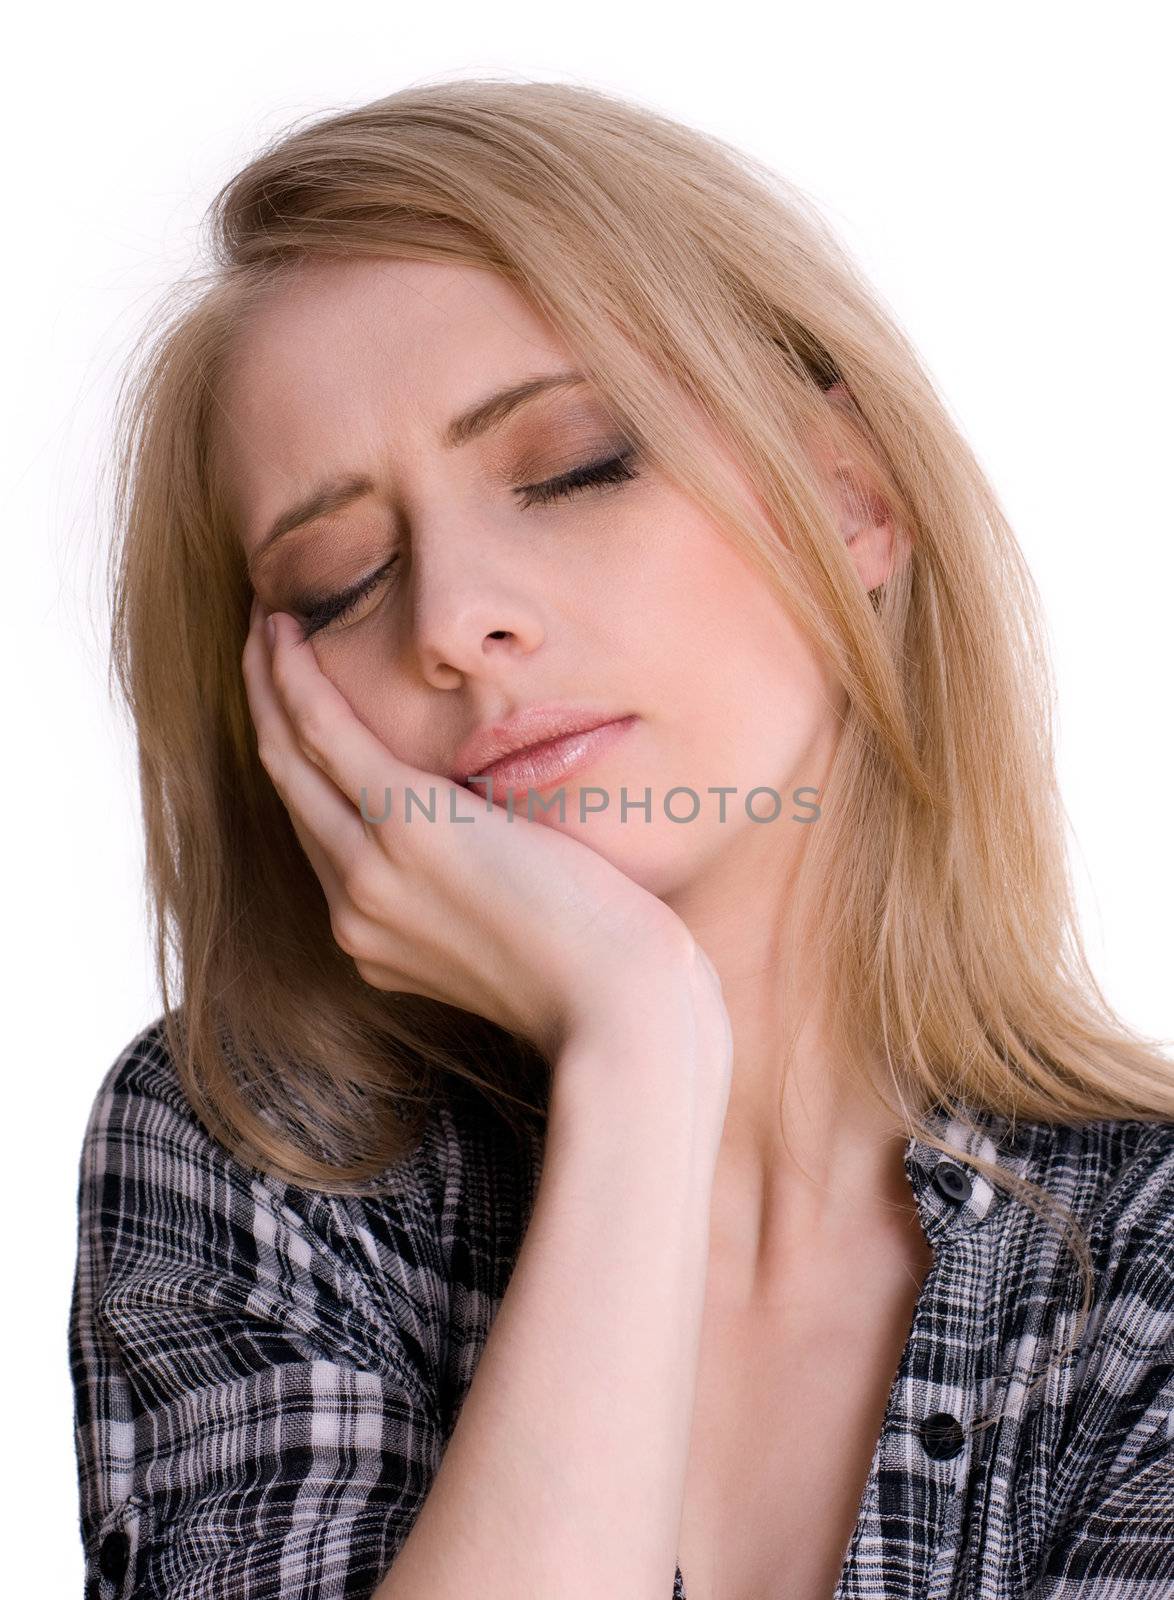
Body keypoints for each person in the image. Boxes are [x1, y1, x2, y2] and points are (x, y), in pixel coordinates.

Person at [69, 76, 1174, 1600]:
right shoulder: (258, 1167)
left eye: (575, 466)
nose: (457, 623)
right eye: (338, 582)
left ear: (849, 497)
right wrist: (642, 1057)